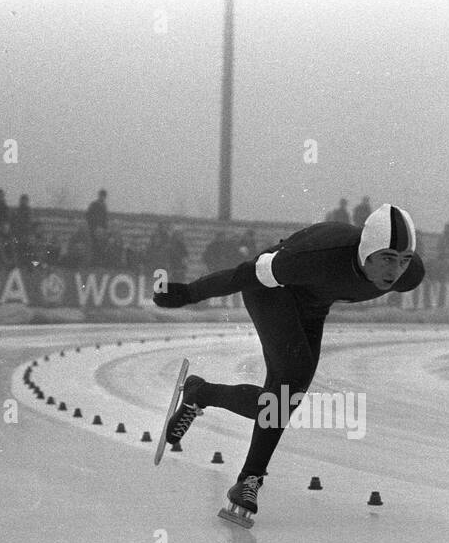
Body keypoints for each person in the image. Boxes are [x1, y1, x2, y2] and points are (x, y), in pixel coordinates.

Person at [152, 204, 425, 523]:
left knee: (284, 400)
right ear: (368, 251)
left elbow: (398, 268)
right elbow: (245, 273)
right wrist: (189, 293)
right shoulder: (317, 256)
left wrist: (401, 262)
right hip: (271, 290)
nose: (395, 271)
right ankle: (246, 476)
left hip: (313, 304)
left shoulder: (409, 275)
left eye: (403, 260)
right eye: (387, 259)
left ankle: (203, 397)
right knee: (285, 391)